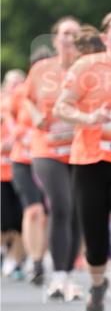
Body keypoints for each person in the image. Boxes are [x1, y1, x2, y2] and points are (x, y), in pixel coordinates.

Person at [55, 14, 111, 311]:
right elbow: (62, 107)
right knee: (94, 245)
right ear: (105, 37)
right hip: (90, 163)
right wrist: (89, 117)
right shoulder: (87, 66)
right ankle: (96, 285)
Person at [26, 16, 82, 299]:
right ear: (55, 39)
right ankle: (57, 276)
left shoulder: (88, 67)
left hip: (80, 148)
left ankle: (68, 275)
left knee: (77, 211)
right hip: (47, 148)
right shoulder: (41, 69)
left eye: (74, 34)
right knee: (61, 206)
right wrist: (35, 114)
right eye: (64, 34)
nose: (69, 39)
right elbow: (25, 97)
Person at [8, 66, 48, 285]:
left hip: (49, 161)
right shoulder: (19, 94)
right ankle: (36, 262)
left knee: (47, 215)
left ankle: (38, 254)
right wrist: (17, 133)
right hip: (23, 160)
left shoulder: (56, 92)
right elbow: (9, 119)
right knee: (33, 211)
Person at [0, 72, 25, 278]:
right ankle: (3, 251)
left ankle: (15, 262)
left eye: (20, 83)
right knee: (4, 220)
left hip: (22, 170)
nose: (17, 87)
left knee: (19, 222)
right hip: (1, 173)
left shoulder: (27, 109)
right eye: (13, 84)